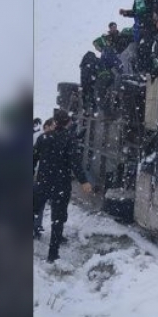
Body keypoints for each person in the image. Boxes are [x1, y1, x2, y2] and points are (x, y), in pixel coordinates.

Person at [32, 110, 92, 262]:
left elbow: (33, 158)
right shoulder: (69, 139)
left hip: (43, 182)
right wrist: (83, 181)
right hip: (61, 185)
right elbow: (75, 163)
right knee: (57, 220)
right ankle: (53, 254)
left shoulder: (43, 138)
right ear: (68, 122)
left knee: (32, 210)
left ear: (55, 122)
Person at [120, 0, 158, 75]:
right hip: (142, 28)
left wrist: (155, 12)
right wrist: (126, 13)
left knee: (146, 47)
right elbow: (136, 12)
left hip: (152, 26)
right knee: (140, 50)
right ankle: (142, 72)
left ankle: (149, 71)